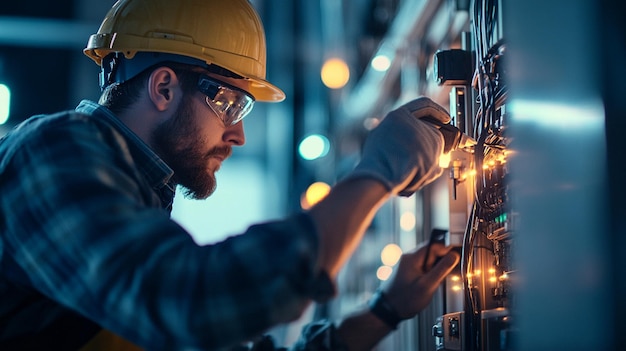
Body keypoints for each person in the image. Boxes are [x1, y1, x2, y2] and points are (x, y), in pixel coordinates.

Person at [0, 0, 460, 350]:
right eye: (231, 104)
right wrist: (375, 176)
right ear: (163, 87)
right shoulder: (53, 152)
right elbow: (194, 303)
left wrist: (385, 311)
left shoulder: (135, 201)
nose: (238, 134)